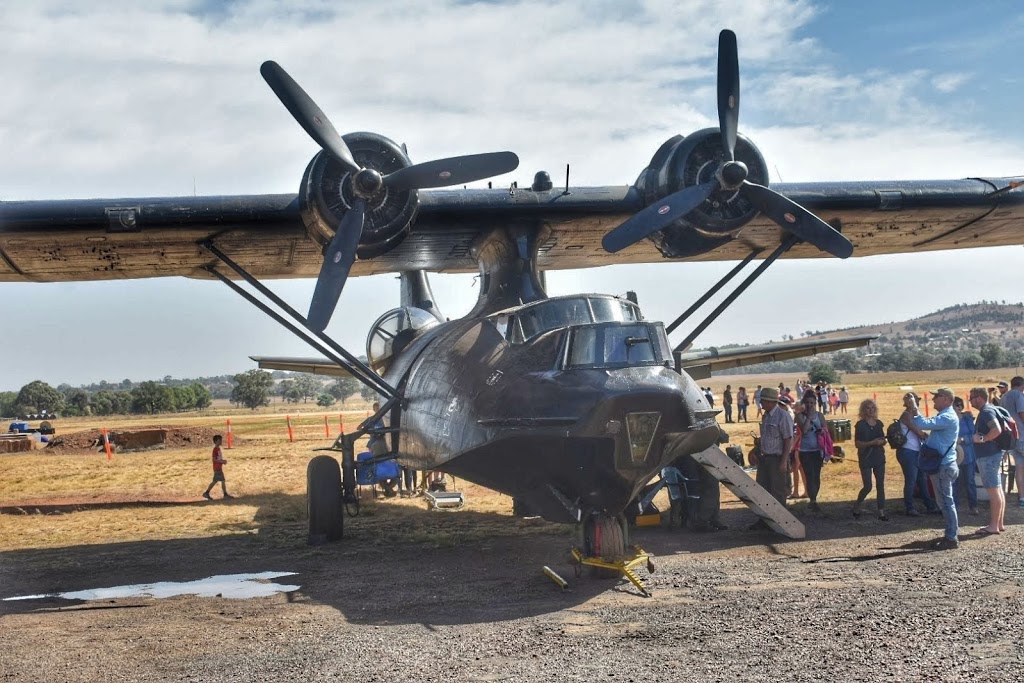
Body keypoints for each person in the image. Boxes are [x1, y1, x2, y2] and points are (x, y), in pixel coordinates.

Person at [907, 387, 960, 550]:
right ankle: (950, 536)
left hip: (943, 466)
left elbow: (923, 423)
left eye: (936, 396)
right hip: (944, 465)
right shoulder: (946, 416)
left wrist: (915, 409)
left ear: (946, 399)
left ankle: (951, 538)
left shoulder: (947, 417)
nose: (933, 399)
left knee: (946, 502)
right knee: (944, 501)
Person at [749, 387, 793, 530]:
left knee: (778, 491)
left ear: (770, 402)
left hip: (777, 459)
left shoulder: (783, 416)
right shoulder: (766, 416)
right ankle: (764, 521)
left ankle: (780, 523)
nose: (760, 403)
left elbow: (788, 440)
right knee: (762, 491)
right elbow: (765, 438)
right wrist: (755, 451)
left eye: (762, 400)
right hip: (764, 459)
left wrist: (783, 462)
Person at [968, 387, 1006, 535]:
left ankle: (993, 526)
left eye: (971, 398)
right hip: (993, 454)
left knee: (993, 490)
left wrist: (982, 439)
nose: (970, 401)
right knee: (997, 489)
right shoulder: (990, 409)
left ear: (979, 398)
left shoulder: (986, 412)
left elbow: (996, 429)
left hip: (988, 456)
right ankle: (999, 523)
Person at [897, 393, 939, 517]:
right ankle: (910, 507)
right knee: (911, 480)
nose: (916, 403)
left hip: (915, 451)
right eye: (914, 401)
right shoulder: (906, 415)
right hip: (908, 451)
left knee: (922, 479)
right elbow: (919, 432)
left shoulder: (913, 415)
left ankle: (929, 506)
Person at [853, 399, 887, 520]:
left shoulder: (879, 424)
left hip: (879, 456)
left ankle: (881, 512)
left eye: (873, 408)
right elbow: (857, 443)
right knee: (867, 486)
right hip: (865, 457)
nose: (871, 410)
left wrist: (882, 441)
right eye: (868, 408)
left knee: (880, 485)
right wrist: (872, 442)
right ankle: (857, 506)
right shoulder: (860, 425)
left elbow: (883, 439)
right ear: (863, 410)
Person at [794, 392, 827, 513]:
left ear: (815, 404)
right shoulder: (799, 416)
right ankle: (812, 500)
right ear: (804, 404)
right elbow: (805, 430)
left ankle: (814, 499)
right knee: (809, 475)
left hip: (817, 450)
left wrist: (822, 431)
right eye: (807, 403)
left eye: (812, 403)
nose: (810, 405)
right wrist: (808, 417)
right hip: (805, 450)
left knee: (816, 475)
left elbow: (825, 428)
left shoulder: (820, 415)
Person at [998, 375, 1024, 506]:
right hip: (1022, 435)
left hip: (1011, 438)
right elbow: (1022, 413)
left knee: (1020, 467)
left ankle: (1021, 498)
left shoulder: (1004, 397)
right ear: (1022, 386)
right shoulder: (1019, 395)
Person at [952, 397, 979, 516]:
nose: (959, 407)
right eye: (956, 405)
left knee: (970, 481)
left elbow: (974, 435)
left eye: (960, 404)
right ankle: (955, 507)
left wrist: (963, 439)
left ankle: (973, 506)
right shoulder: (949, 420)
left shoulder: (967, 418)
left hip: (968, 454)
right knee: (954, 482)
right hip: (954, 455)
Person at [202, 434, 233, 500]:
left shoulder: (218, 449)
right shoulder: (215, 449)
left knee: (215, 481)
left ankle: (206, 493)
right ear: (216, 441)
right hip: (217, 468)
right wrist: (221, 462)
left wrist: (222, 461)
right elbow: (214, 459)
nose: (221, 441)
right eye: (219, 440)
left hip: (218, 467)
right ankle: (225, 494)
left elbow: (218, 458)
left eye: (221, 440)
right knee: (223, 480)